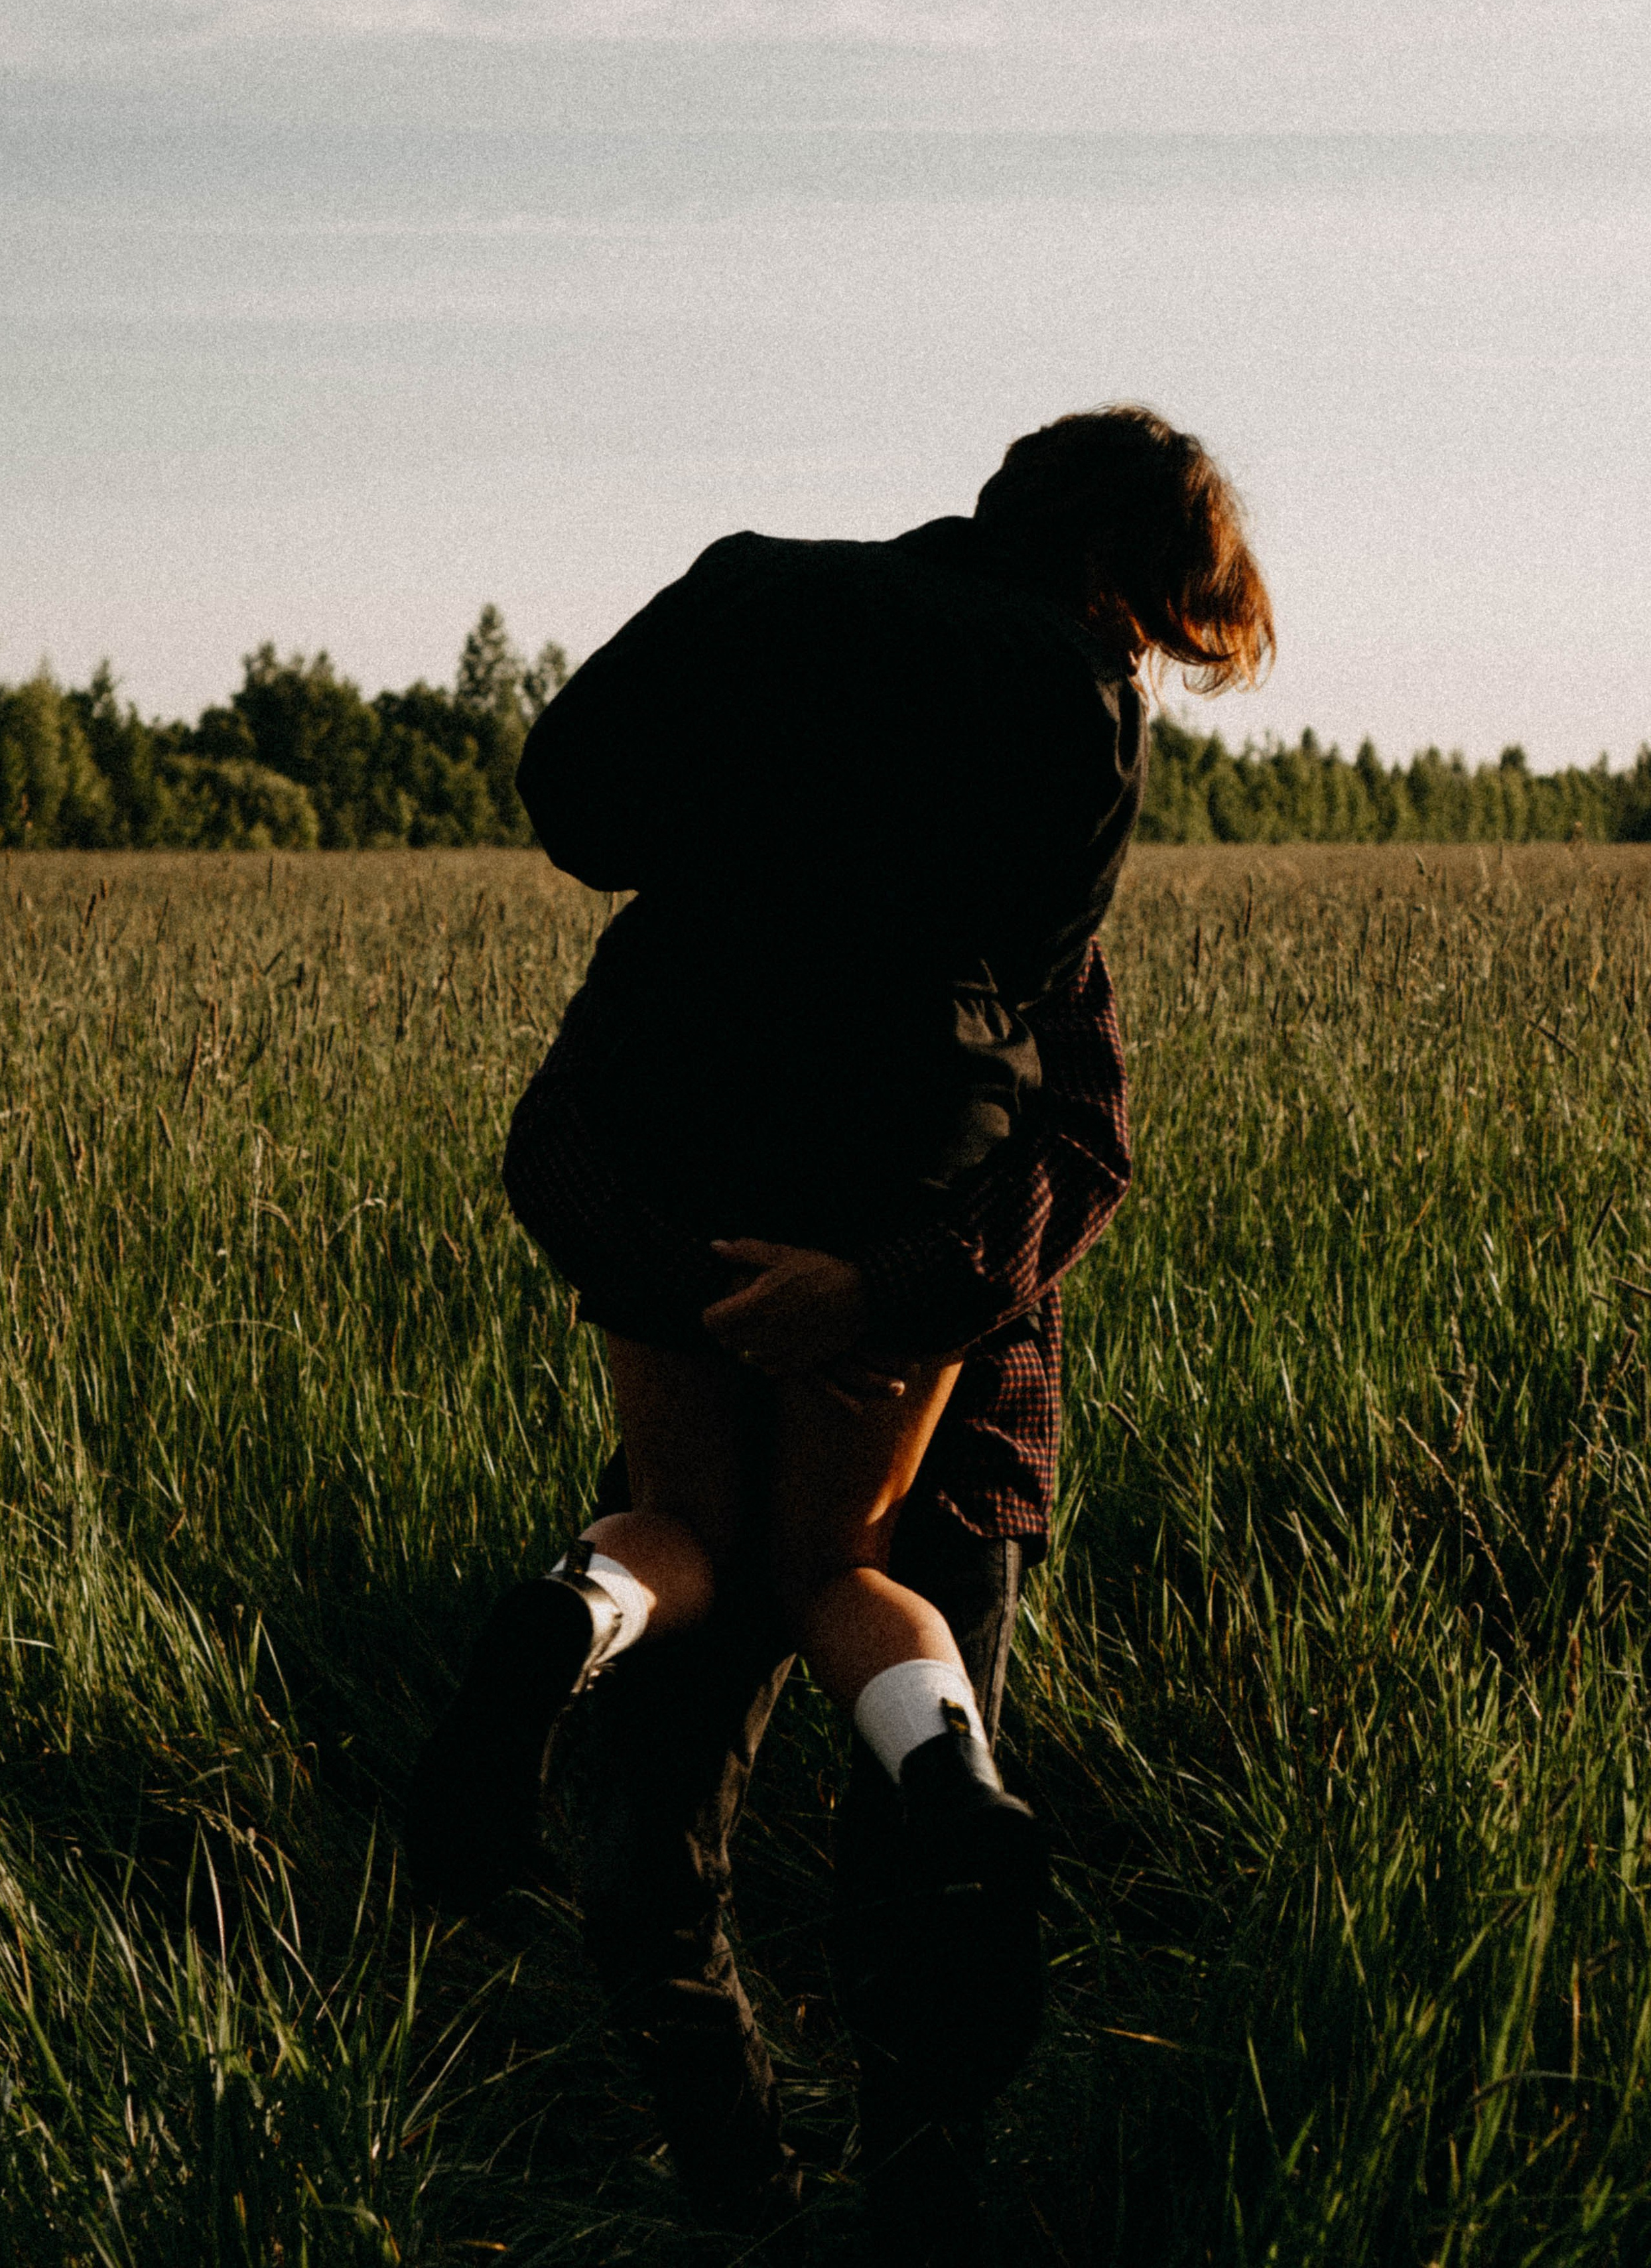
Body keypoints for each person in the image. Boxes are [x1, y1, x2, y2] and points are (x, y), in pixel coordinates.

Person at [406, 405, 1274, 2248]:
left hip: (704, 1232)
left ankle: (567, 1621)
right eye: (1145, 639)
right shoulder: (1015, 899)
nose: (1136, 677)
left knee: (703, 1636)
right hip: (916, 1343)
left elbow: (554, 1113)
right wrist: (870, 1285)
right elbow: (1073, 1132)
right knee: (817, 1626)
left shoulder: (740, 731)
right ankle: (788, 2157)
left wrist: (692, 1267)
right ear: (1111, 584)